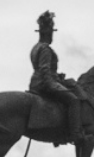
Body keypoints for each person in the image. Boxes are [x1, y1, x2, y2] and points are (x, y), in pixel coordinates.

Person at [30, 10, 84, 143]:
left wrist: (58, 77)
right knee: (73, 100)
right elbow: (44, 70)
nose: (52, 36)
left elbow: (43, 68)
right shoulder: (45, 49)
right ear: (48, 33)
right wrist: (52, 83)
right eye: (51, 33)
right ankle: (75, 134)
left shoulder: (36, 47)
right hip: (44, 83)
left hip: (37, 81)